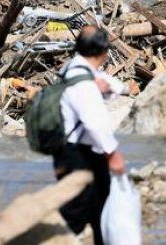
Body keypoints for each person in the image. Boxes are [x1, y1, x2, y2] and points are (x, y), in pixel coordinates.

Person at [54, 26, 126, 245]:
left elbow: (117, 86)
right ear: (103, 52)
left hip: (76, 151)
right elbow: (93, 122)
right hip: (78, 154)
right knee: (75, 212)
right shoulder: (84, 81)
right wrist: (112, 153)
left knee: (98, 206)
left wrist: (105, 85)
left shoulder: (74, 68)